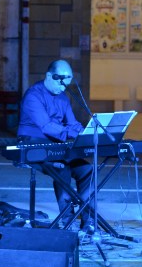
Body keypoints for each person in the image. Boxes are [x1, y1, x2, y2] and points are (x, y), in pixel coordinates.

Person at [17, 59, 95, 232]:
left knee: (87, 170)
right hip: (34, 143)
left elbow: (72, 123)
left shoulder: (63, 97)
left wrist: (89, 133)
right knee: (62, 168)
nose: (62, 87)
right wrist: (74, 134)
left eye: (66, 83)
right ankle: (67, 219)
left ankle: (88, 219)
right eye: (60, 82)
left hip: (56, 144)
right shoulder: (33, 96)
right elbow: (46, 126)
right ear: (49, 76)